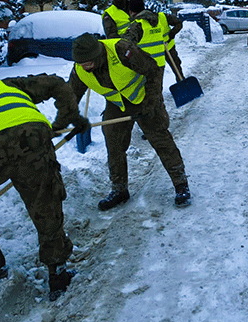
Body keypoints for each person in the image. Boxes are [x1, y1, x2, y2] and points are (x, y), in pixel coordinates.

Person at [0, 75, 90, 301]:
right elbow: (57, 84)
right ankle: (58, 272)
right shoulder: (5, 87)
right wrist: (67, 116)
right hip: (31, 136)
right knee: (45, 202)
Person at [66, 32, 190, 209]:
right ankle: (119, 189)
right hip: (117, 104)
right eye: (82, 64)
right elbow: (71, 95)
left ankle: (181, 184)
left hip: (144, 97)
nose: (85, 68)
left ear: (97, 54)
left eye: (88, 63)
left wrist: (151, 103)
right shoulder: (79, 68)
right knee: (114, 143)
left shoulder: (121, 49)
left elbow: (153, 70)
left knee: (160, 139)